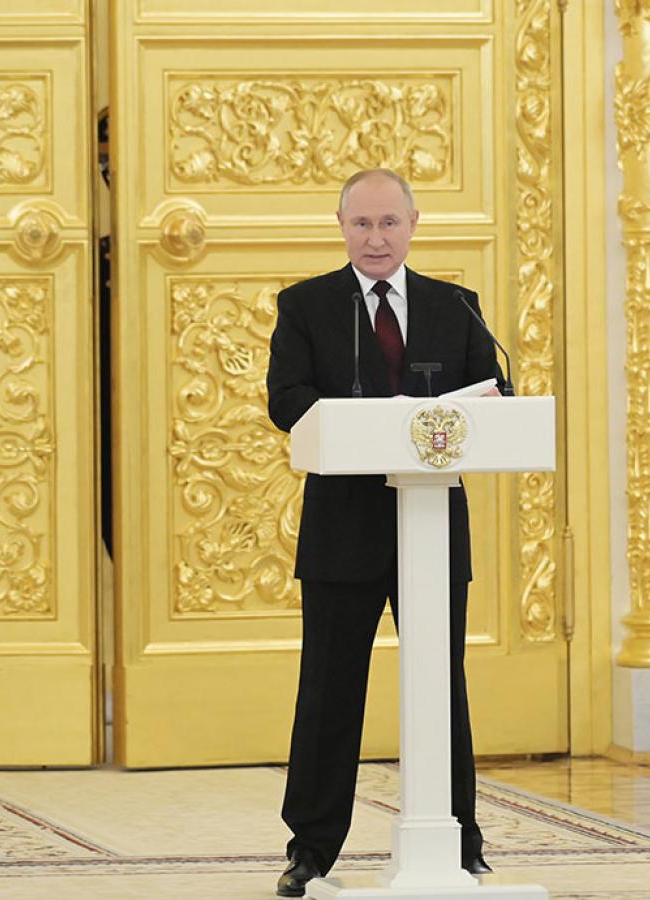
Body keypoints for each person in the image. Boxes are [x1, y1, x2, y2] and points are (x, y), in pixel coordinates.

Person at [266, 168, 500, 897]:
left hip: (430, 524)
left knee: (441, 686)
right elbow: (288, 401)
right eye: (362, 225)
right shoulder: (305, 306)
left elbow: (491, 393)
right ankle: (310, 848)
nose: (376, 238)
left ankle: (461, 839)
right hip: (343, 529)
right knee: (330, 690)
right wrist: (368, 424)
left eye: (389, 224)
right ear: (341, 226)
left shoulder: (456, 306)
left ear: (413, 223)